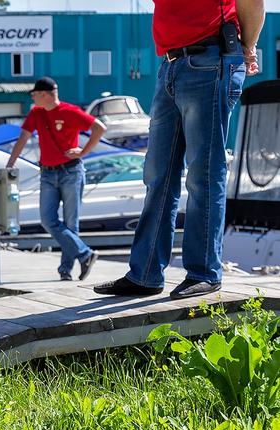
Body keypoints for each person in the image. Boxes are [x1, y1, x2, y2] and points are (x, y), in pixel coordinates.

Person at [95, 0, 265, 299]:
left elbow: (251, 1)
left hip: (211, 59)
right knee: (157, 174)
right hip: (171, 65)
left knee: (203, 174)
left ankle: (204, 272)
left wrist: (248, 47)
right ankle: (145, 274)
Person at [6, 77, 106, 281]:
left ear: (44, 94)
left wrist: (83, 152)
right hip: (48, 173)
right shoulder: (36, 113)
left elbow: (99, 128)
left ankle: (65, 271)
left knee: (71, 223)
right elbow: (23, 138)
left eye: (35, 94)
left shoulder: (70, 111)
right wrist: (11, 163)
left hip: (72, 171)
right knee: (47, 219)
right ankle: (85, 254)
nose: (33, 98)